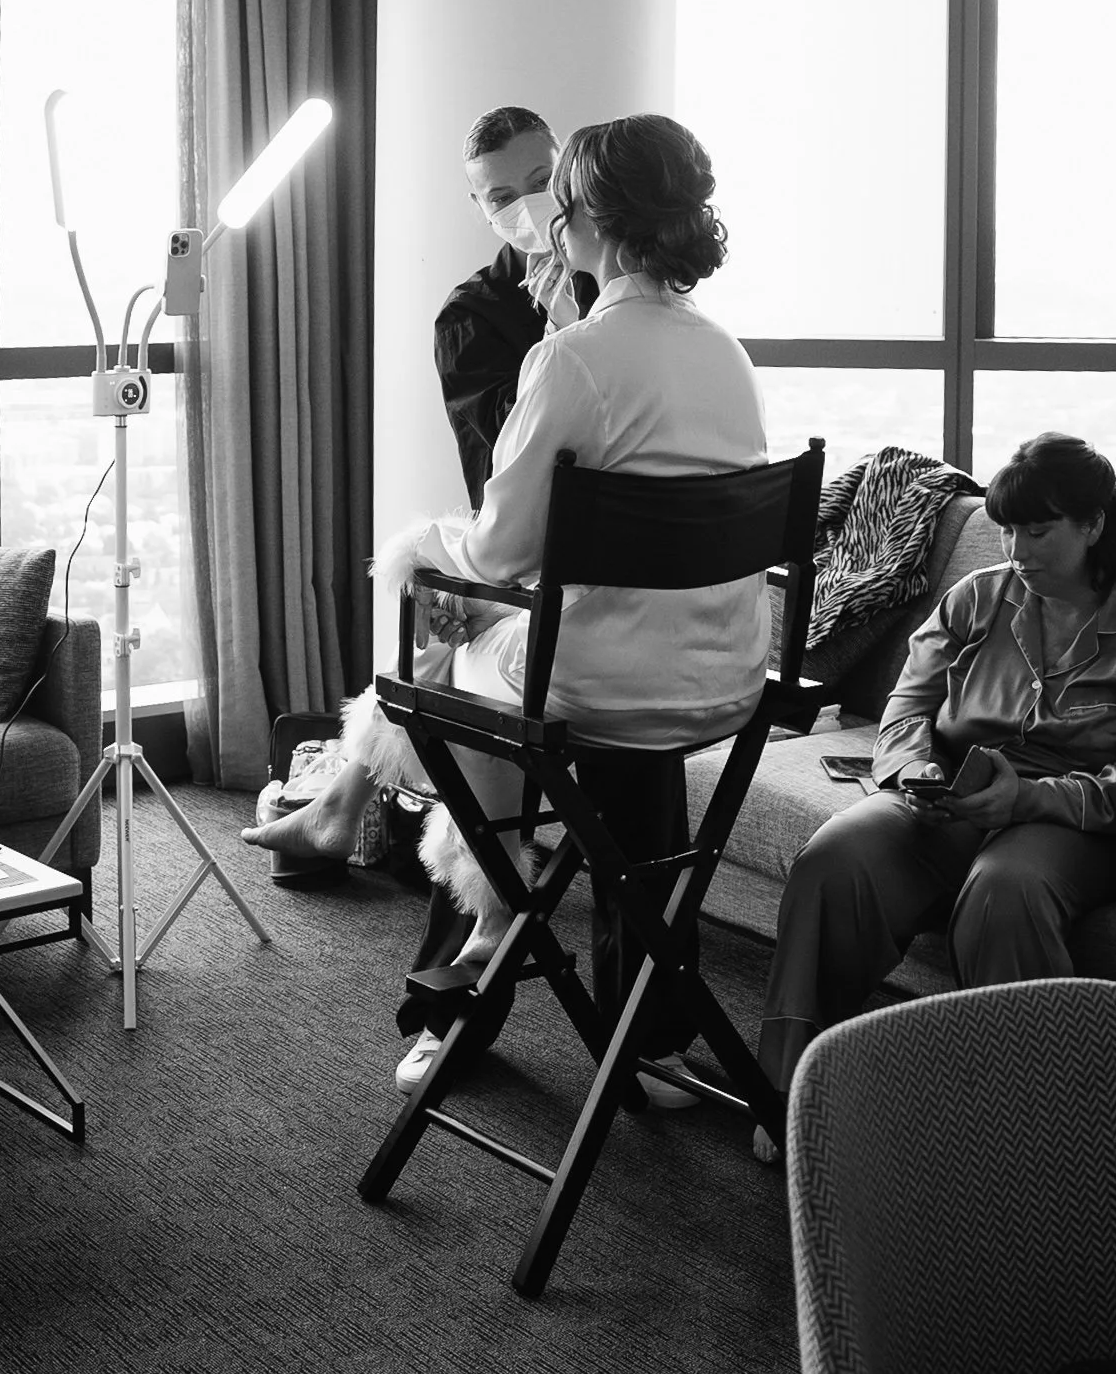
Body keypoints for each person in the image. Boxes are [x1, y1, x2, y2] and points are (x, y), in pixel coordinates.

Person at [245, 112, 771, 1102]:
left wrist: (421, 544)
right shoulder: (725, 354)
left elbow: (497, 545)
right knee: (495, 670)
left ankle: (484, 918)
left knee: (433, 633)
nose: (543, 216)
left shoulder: (574, 355)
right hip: (718, 679)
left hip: (595, 680)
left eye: (554, 194)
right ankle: (610, 1010)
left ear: (591, 220)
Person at [753, 431, 1116, 1161]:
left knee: (1005, 890)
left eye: (1038, 530)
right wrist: (914, 773)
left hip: (1078, 819)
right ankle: (793, 1093)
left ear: (1094, 524)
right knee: (835, 855)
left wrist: (1026, 801)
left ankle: (1029, 1131)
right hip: (950, 792)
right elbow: (906, 710)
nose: (1018, 548)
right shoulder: (976, 597)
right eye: (1007, 530)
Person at [437, 104, 591, 508]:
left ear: (567, 177)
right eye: (502, 198)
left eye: (542, 182)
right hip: (526, 537)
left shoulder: (611, 277)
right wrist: (560, 332)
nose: (527, 205)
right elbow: (516, 438)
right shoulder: (467, 314)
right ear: (480, 208)